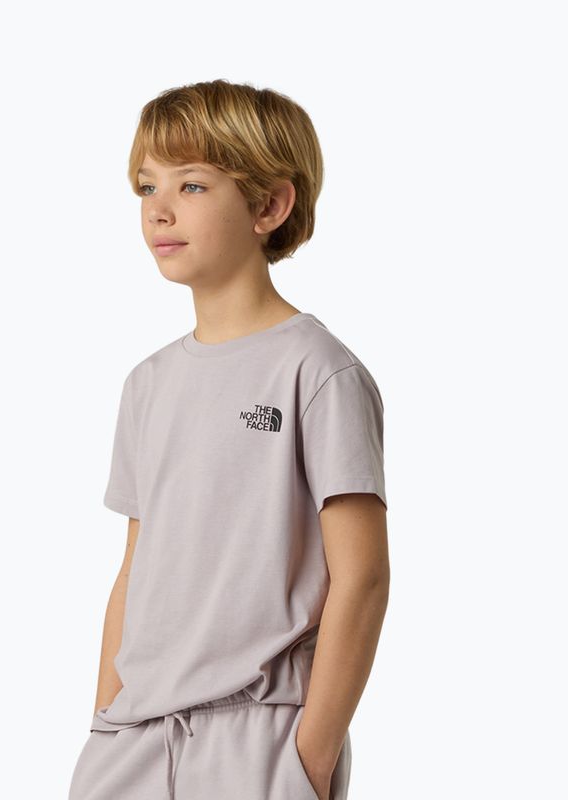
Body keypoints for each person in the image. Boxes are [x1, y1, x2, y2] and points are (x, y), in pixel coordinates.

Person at [68, 78, 390, 800]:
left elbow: (363, 577)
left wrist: (309, 755)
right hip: (133, 739)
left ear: (269, 206)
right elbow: (135, 566)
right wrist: (104, 722)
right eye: (146, 186)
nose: (158, 208)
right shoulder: (146, 384)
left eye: (191, 185)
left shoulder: (317, 371)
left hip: (260, 738)